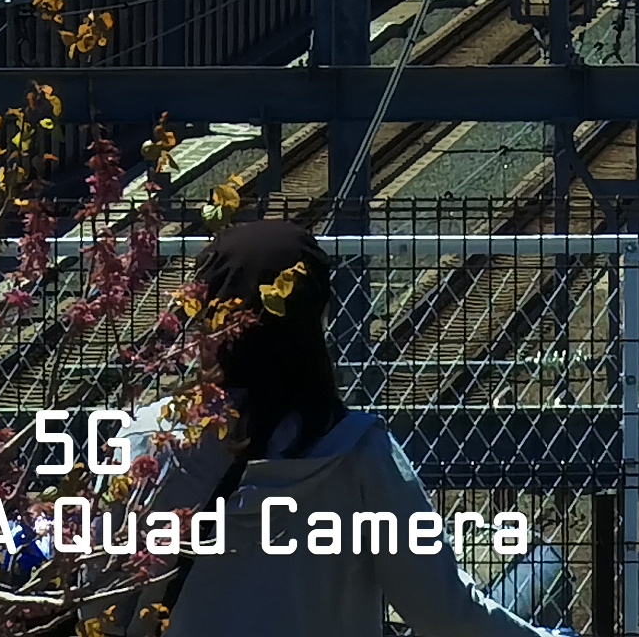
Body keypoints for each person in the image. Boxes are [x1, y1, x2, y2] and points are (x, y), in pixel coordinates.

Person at [140, 217, 561, 637]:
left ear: (207, 316)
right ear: (317, 318)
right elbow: (442, 611)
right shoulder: (358, 454)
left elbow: (109, 598)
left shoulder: (149, 442)